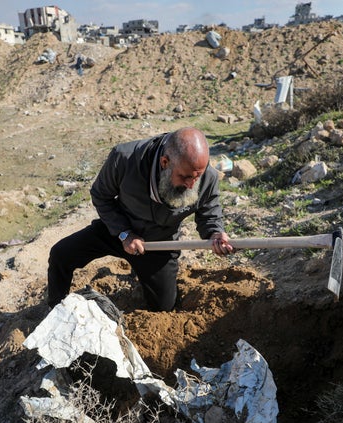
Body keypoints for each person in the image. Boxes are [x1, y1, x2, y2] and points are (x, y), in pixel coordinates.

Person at [47, 127, 233, 311]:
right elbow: (100, 195)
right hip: (118, 230)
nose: (192, 184)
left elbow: (209, 209)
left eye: (197, 177)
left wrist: (215, 232)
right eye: (184, 177)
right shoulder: (125, 158)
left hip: (159, 243)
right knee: (60, 254)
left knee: (163, 306)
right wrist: (124, 233)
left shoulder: (205, 175)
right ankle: (55, 309)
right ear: (164, 162)